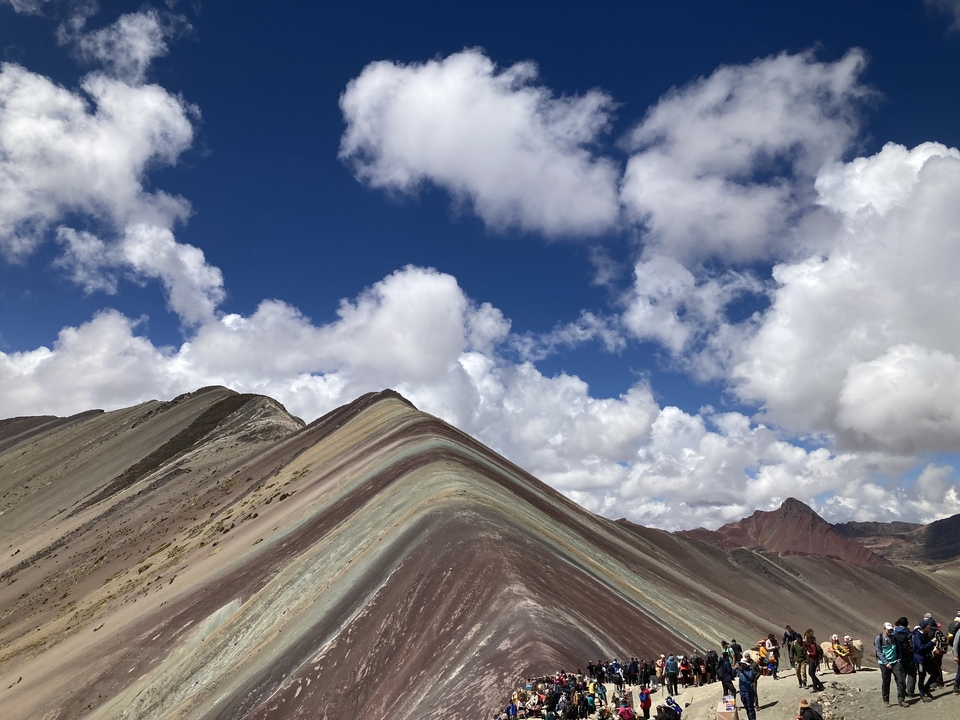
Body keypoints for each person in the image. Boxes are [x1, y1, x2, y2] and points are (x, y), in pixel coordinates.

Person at [875, 621, 906, 707]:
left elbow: (898, 649)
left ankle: (901, 700)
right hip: (884, 663)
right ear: (884, 629)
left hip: (895, 662)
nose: (890, 631)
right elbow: (879, 652)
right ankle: (886, 700)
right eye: (888, 630)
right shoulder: (879, 638)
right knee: (886, 681)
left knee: (901, 681)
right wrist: (886, 663)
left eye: (891, 630)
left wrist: (899, 659)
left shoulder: (894, 638)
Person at [914, 618, 938, 701]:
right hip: (920, 659)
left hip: (927, 657)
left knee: (936, 673)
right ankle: (922, 694)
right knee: (922, 676)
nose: (930, 629)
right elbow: (920, 648)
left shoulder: (925, 634)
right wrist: (931, 643)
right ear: (924, 627)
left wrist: (933, 646)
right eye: (928, 627)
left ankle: (926, 688)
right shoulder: (917, 636)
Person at [894, 617, 917, 696]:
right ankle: (910, 691)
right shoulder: (909, 633)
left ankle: (902, 691)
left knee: (903, 674)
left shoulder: (894, 633)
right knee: (912, 673)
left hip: (898, 656)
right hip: (909, 655)